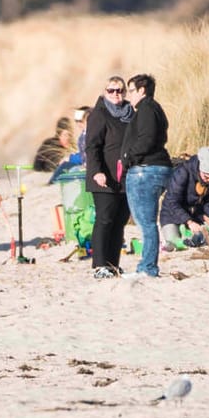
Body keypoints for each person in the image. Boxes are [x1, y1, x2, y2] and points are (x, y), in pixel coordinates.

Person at [120, 73, 172, 278]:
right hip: (154, 168)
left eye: (130, 90)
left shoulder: (147, 109)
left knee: (146, 223)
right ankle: (147, 266)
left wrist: (128, 157)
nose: (128, 95)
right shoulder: (152, 109)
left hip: (146, 170)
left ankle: (148, 267)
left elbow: (147, 139)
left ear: (142, 90)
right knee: (147, 222)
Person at [85, 75, 132, 278]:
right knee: (105, 219)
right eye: (111, 90)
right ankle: (99, 265)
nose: (116, 94)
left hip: (125, 178)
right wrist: (97, 171)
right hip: (103, 178)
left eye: (119, 90)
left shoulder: (130, 113)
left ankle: (113, 264)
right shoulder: (99, 114)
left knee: (120, 220)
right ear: (105, 92)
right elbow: (92, 146)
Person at [160, 146, 209, 251]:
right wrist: (189, 222)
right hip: (171, 214)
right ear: (200, 169)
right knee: (174, 243)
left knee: (201, 239)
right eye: (206, 177)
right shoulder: (182, 173)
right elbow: (172, 202)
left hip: (195, 216)